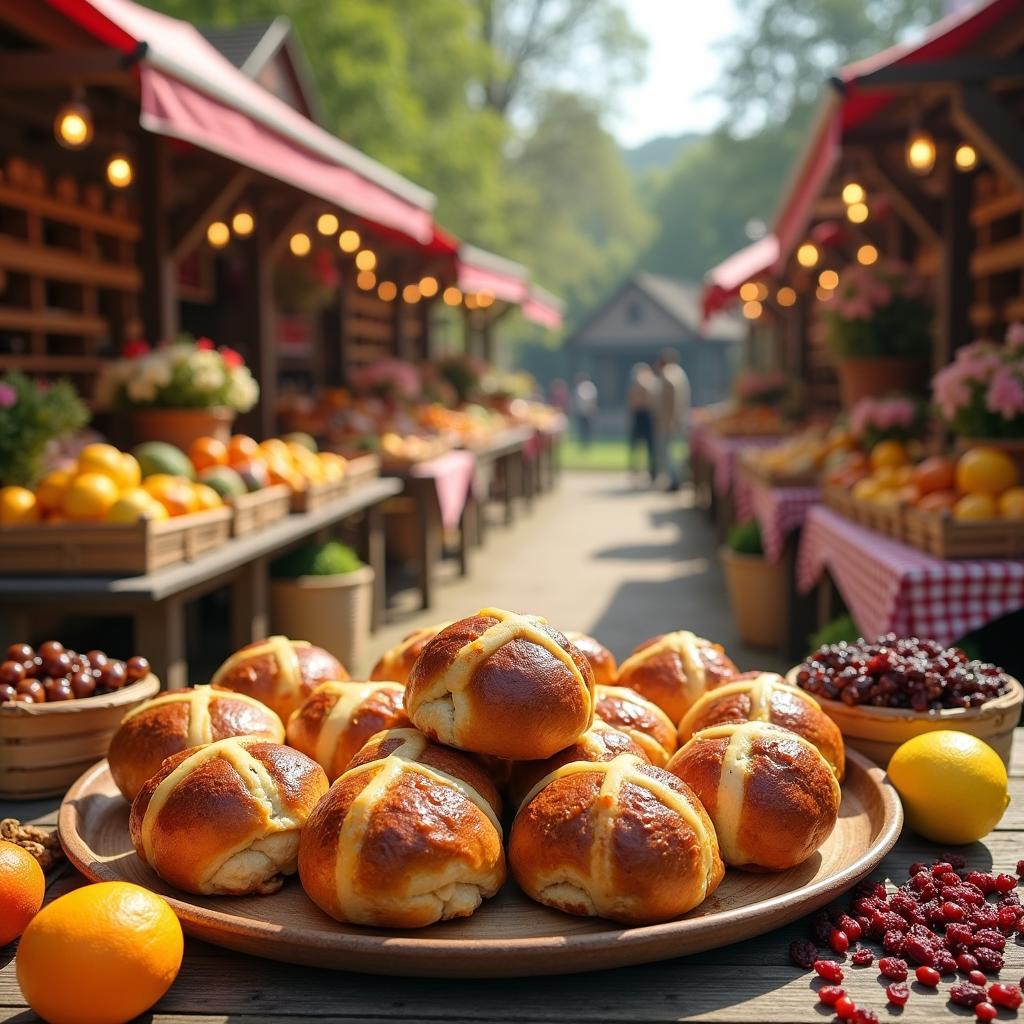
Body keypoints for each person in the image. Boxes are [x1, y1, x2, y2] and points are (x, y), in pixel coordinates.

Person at [653, 349, 690, 491]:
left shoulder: (669, 373)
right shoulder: (679, 372)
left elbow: (671, 396)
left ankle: (674, 481)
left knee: (669, 453)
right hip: (678, 419)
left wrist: (668, 420)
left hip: (671, 421)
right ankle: (676, 479)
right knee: (675, 452)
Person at [627, 362, 657, 485]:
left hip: (647, 416)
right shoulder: (637, 385)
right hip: (639, 416)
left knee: (650, 447)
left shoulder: (650, 384)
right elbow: (631, 402)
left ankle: (651, 472)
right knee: (636, 447)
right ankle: (636, 471)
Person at [572, 372, 598, 450]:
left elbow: (590, 399)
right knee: (583, 429)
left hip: (587, 412)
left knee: (587, 429)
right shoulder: (582, 387)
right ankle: (583, 444)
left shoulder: (588, 387)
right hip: (582, 412)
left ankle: (586, 444)